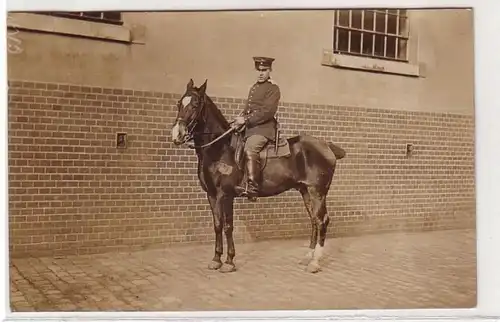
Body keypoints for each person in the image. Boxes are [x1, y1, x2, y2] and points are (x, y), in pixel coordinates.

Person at [233, 56, 281, 201]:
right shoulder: (254, 87)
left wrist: (246, 120)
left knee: (251, 148)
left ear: (270, 70)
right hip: (250, 128)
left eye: (264, 70)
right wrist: (239, 119)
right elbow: (249, 109)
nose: (261, 73)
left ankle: (252, 187)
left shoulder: (273, 88)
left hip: (264, 129)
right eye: (258, 70)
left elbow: (267, 112)